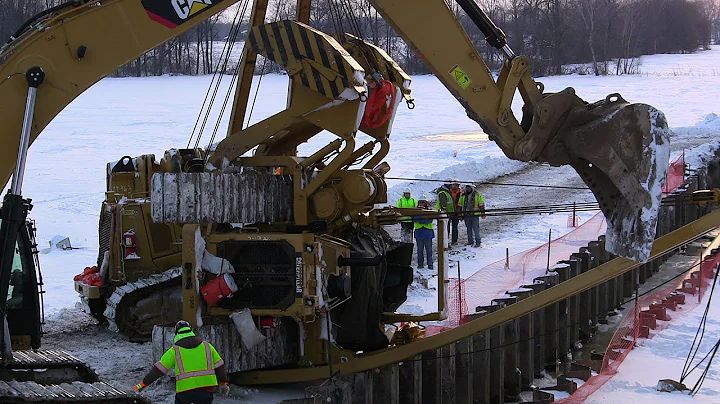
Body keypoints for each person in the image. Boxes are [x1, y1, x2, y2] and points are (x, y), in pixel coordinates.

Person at [133, 320, 229, 403]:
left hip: (185, 394)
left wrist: (142, 384)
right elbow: (220, 366)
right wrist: (223, 383)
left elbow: (158, 370)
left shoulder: (174, 351)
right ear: (191, 331)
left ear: (177, 334)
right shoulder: (207, 346)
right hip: (206, 392)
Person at [435, 179, 461, 245]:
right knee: (446, 229)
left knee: (451, 228)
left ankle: (451, 241)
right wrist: (446, 212)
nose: (452, 186)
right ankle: (445, 243)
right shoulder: (443, 193)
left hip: (452, 213)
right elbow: (444, 205)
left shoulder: (448, 192)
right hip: (446, 214)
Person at [413, 196, 434, 269]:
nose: (421, 204)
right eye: (420, 202)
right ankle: (420, 264)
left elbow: (430, 220)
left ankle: (430, 264)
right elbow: (414, 219)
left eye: (423, 202)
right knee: (420, 250)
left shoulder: (430, 211)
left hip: (427, 233)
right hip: (419, 233)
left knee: (429, 250)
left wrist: (421, 221)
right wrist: (424, 220)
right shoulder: (415, 211)